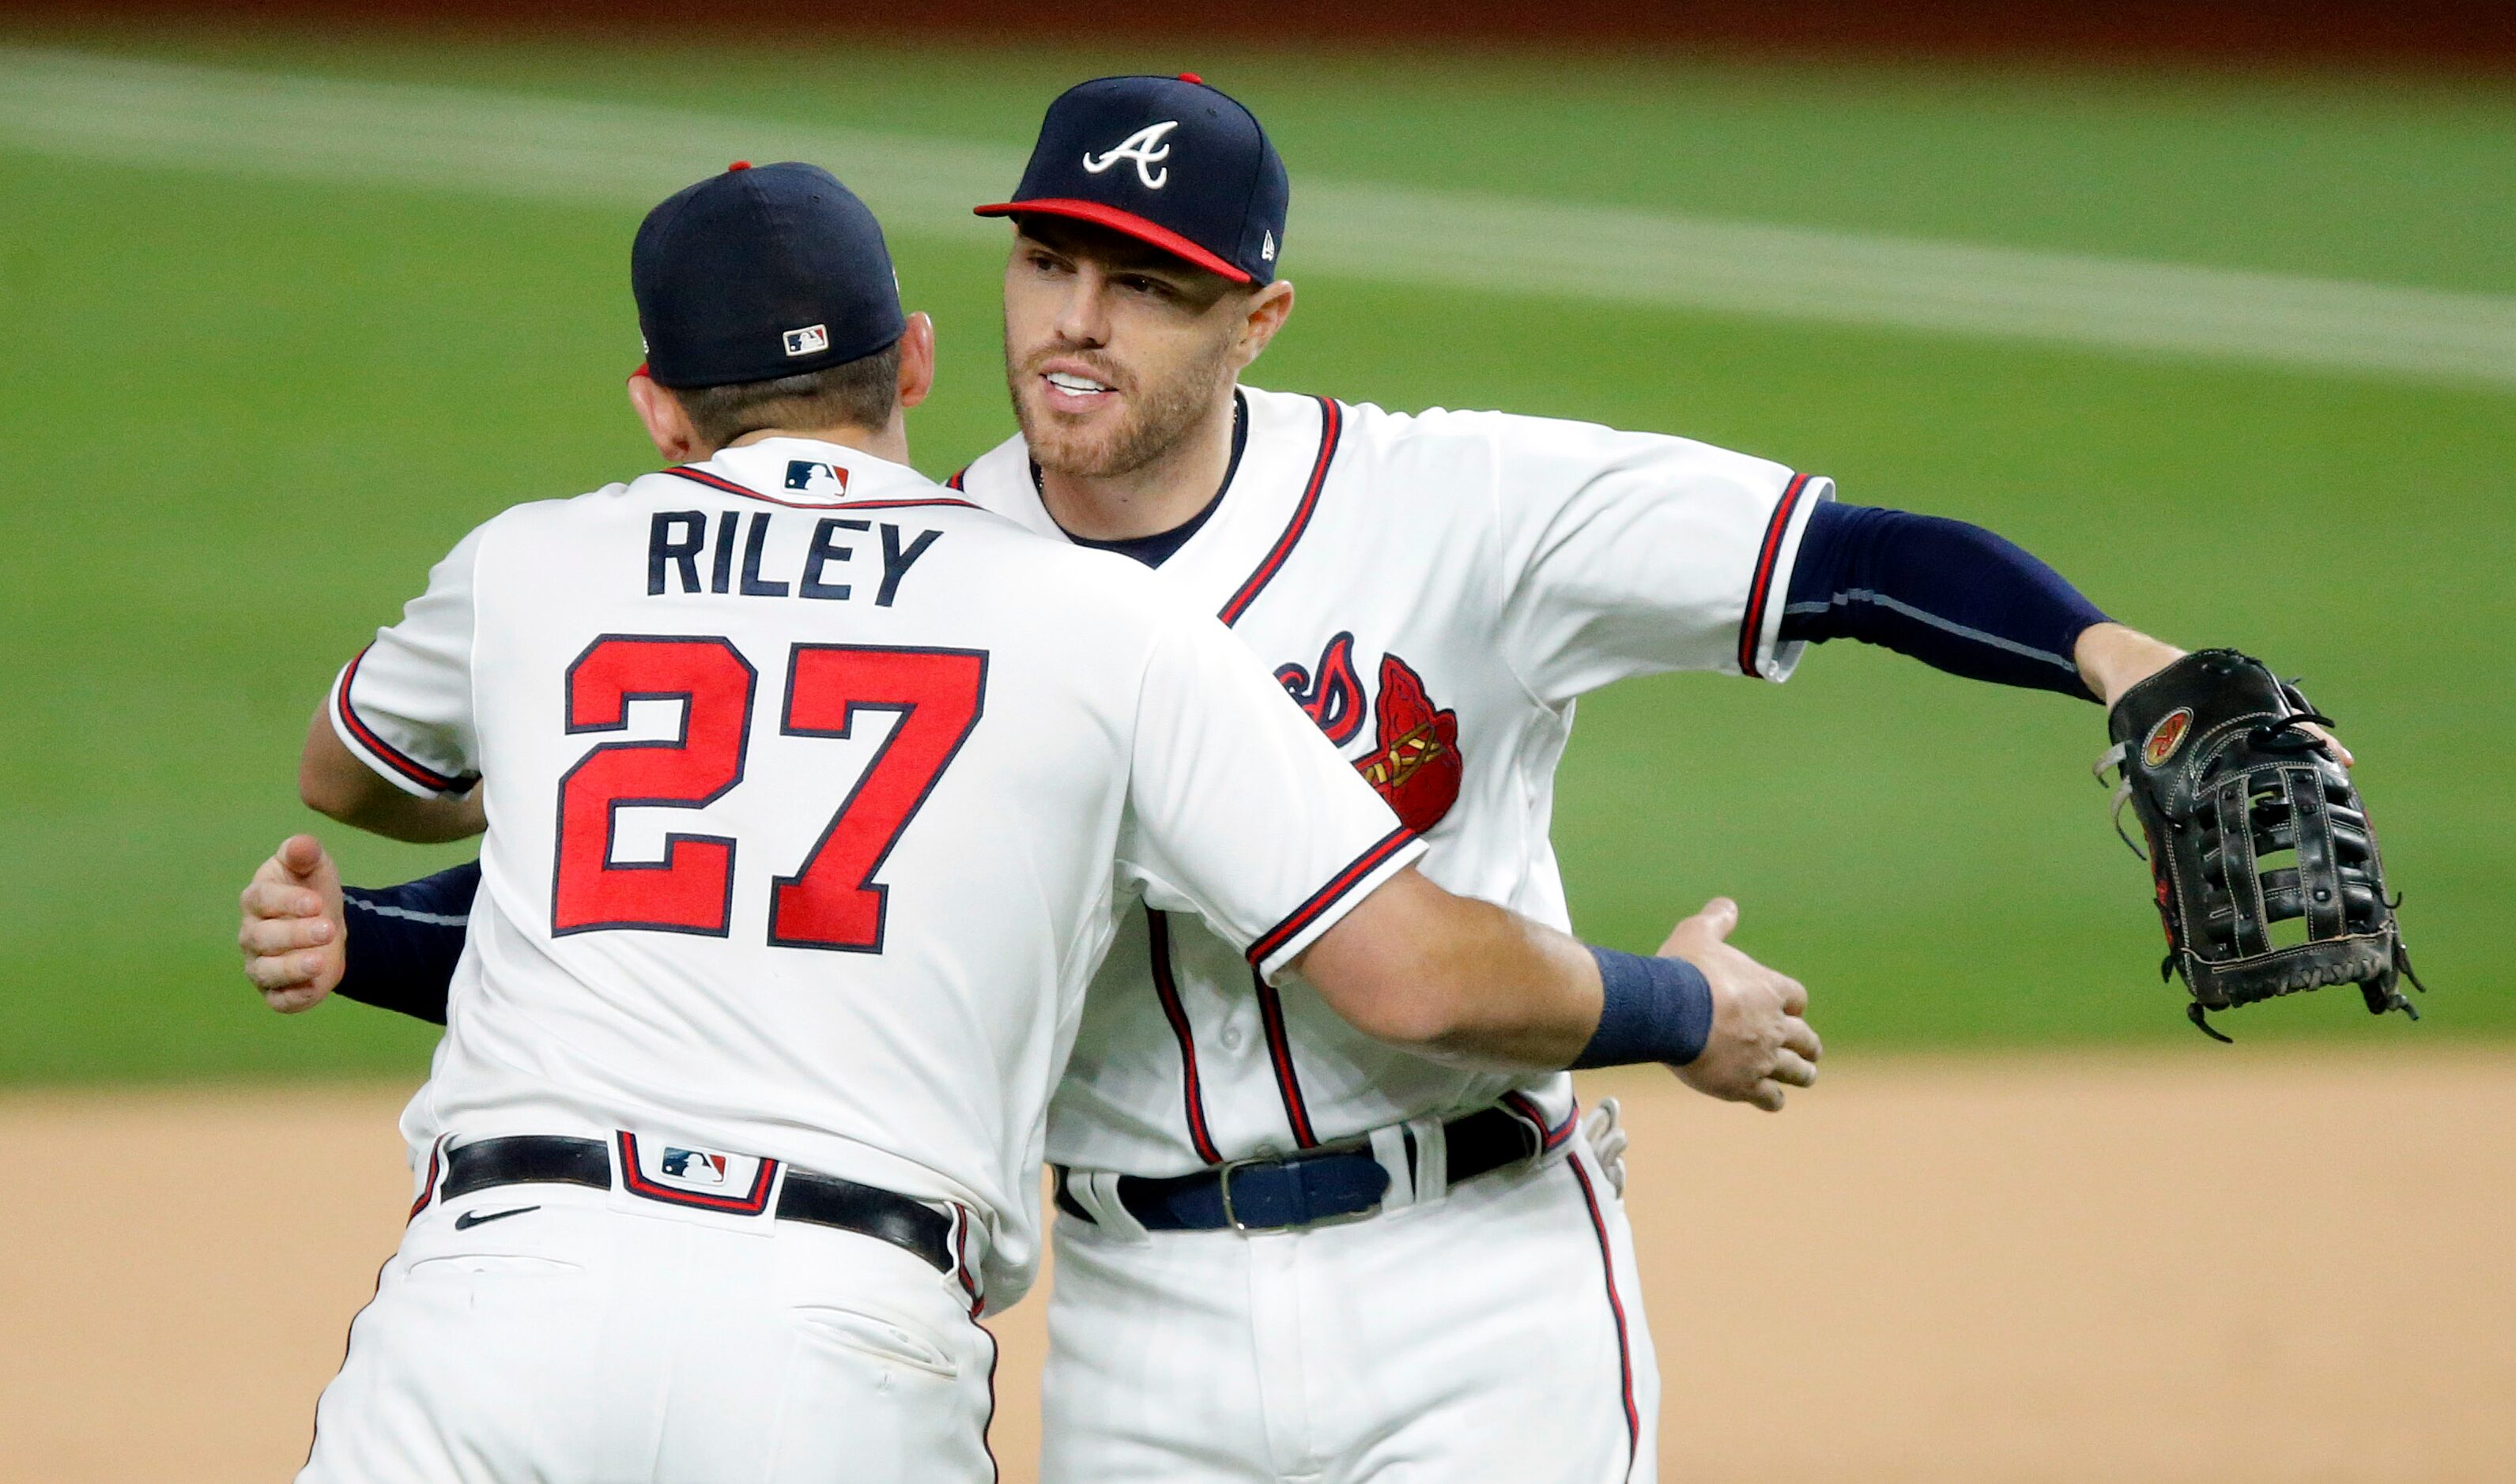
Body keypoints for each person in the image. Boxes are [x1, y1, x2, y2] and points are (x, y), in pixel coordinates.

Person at [248, 75, 2310, 1483]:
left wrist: (2114, 662)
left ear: (1259, 314)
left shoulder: (1463, 501)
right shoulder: (944, 570)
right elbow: (763, 929)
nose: (1080, 321)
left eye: (1145, 283)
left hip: (1480, 1269)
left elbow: (1840, 562)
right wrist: (386, 945)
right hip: (1141, 1307)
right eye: (1051, 263)